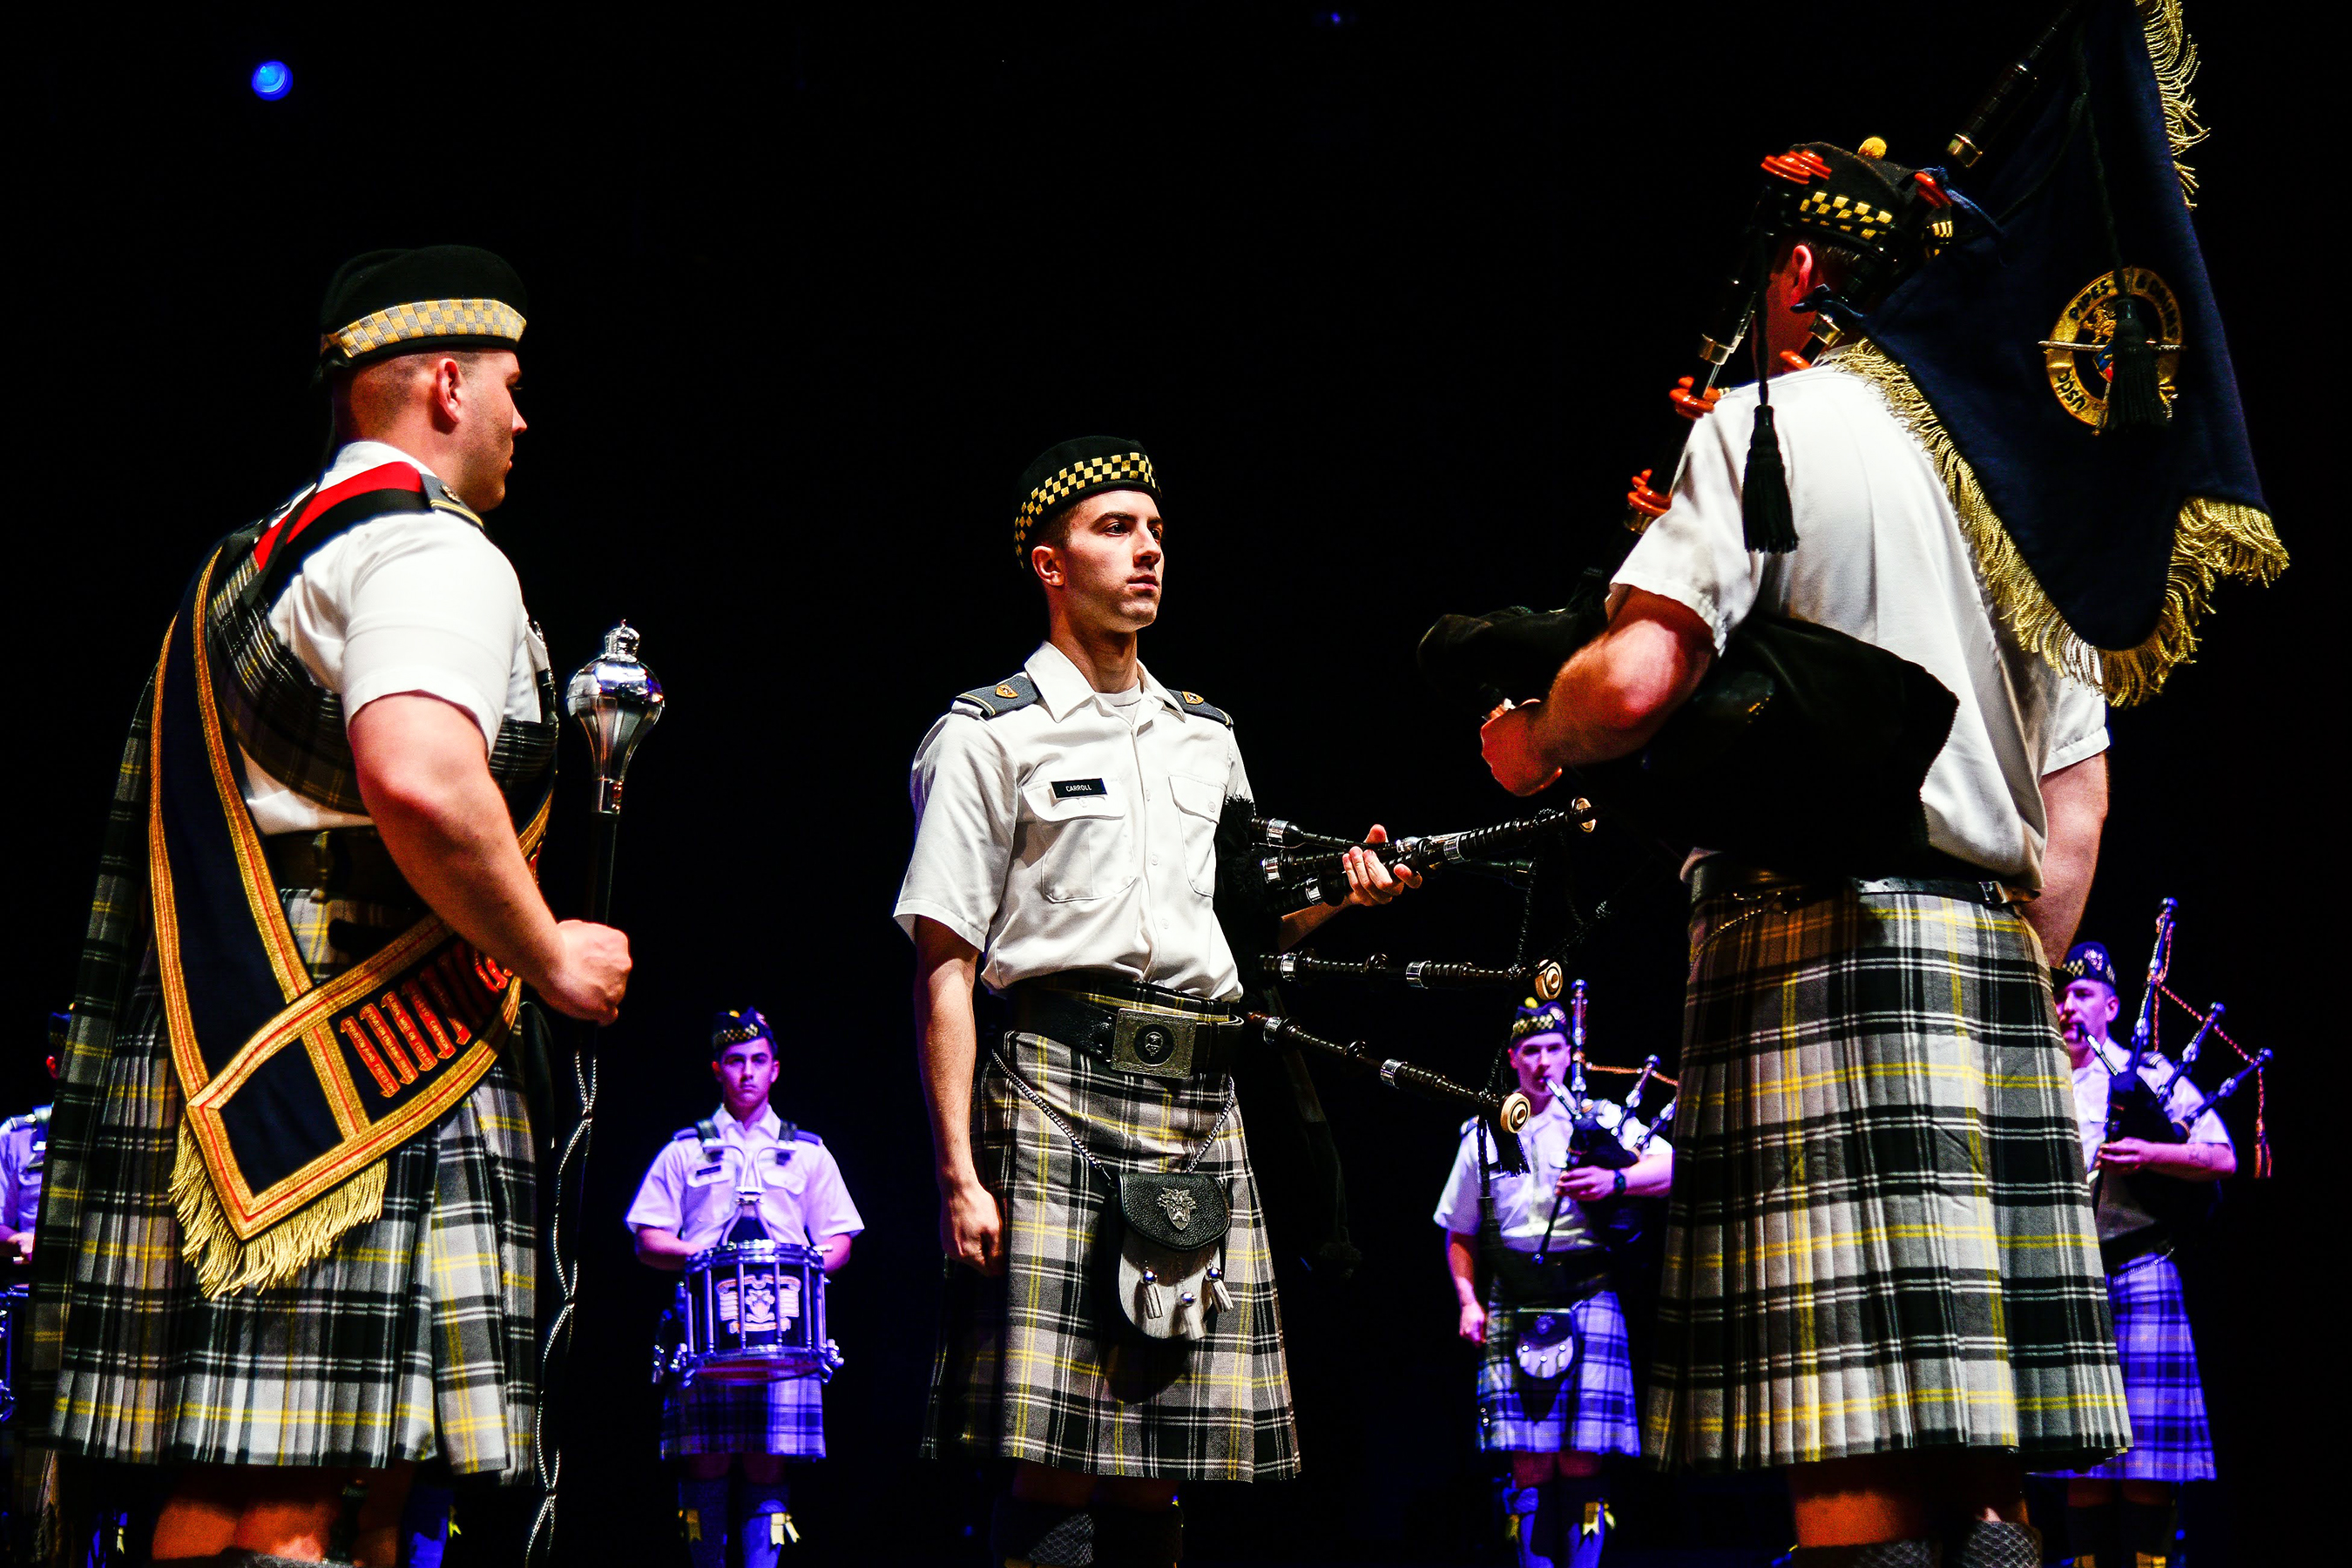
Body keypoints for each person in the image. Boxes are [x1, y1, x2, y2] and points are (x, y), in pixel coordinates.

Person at [1478, 140, 2132, 1565]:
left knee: (1853, 1467)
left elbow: (1635, 683)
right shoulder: (2031, 476)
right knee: (1979, 1480)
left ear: (1795, 268)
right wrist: (2018, 984)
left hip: (1808, 950)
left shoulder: (1768, 425)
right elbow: (2075, 803)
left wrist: (1535, 736)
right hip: (1991, 961)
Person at [27, 246, 631, 1566]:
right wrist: (548, 952)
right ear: (446, 384)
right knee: (301, 1505)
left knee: (278, 1485)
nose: (524, 419)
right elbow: (419, 775)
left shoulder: (243, 566)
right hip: (352, 1057)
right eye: (511, 386)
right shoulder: (430, 549)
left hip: (221, 1052)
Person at [896, 436, 1419, 1568]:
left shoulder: (1207, 738)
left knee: (1162, 1454)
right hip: (1052, 1094)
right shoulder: (986, 735)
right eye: (1115, 530)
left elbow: (1245, 933)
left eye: (1156, 532)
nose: (1147, 552)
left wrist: (1343, 893)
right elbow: (944, 964)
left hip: (1195, 1109)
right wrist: (958, 1175)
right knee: (1056, 1452)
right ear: (1049, 564)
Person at [1435, 998, 1673, 1568]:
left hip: (1589, 1291)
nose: (1543, 1061)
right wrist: (1468, 1302)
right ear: (1513, 1057)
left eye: (1553, 1048)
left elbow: (1670, 1167)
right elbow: (1460, 1231)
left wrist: (1616, 1181)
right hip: (1514, 1296)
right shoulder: (1484, 1134)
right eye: (1531, 1050)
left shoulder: (1600, 1117)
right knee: (1529, 1460)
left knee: (1583, 1456)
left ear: (1569, 1054)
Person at [626, 1007, 864, 1568]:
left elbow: (840, 1239)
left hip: (786, 1331)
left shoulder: (807, 1151)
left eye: (759, 1060)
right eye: (736, 1061)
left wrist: (810, 1264)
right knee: (705, 1460)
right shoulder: (686, 1149)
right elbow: (647, 1239)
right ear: (718, 1069)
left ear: (776, 1069)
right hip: (706, 1332)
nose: (748, 1072)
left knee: (769, 1461)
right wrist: (698, 1253)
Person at [2045, 942, 2232, 1568]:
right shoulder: (2038, 1084)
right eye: (2060, 995)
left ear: (2112, 1007)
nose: (2067, 1005)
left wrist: (2151, 1155)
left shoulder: (2145, 1074)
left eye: (2082, 994)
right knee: (2084, 1459)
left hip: (2142, 1270)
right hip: (2071, 1281)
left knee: (2148, 1457)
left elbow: (2222, 1156)